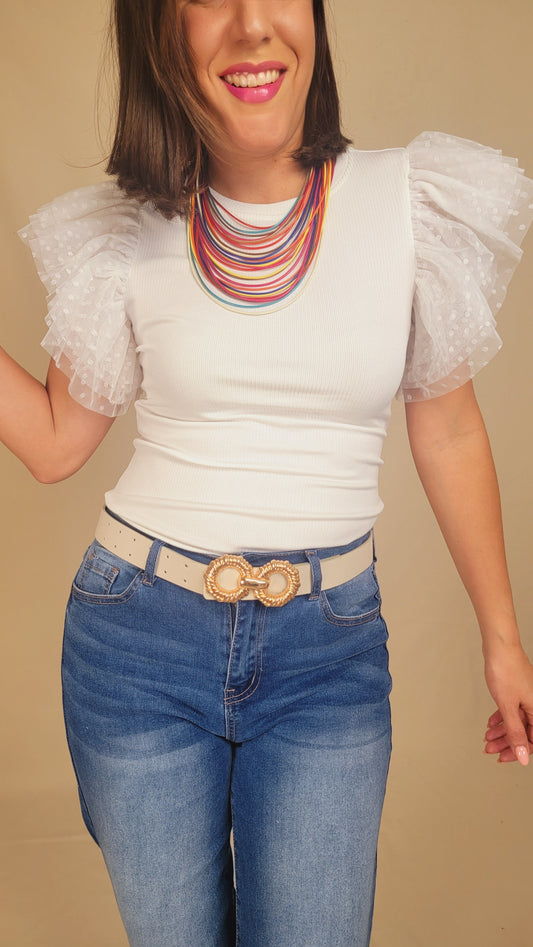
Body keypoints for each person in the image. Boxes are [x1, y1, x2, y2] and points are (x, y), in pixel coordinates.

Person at [2, 0, 533, 944]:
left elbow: (447, 428)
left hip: (325, 655)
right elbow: (52, 444)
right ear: (159, 32)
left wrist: (503, 637)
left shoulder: (410, 202)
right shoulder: (124, 232)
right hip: (136, 645)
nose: (253, 26)